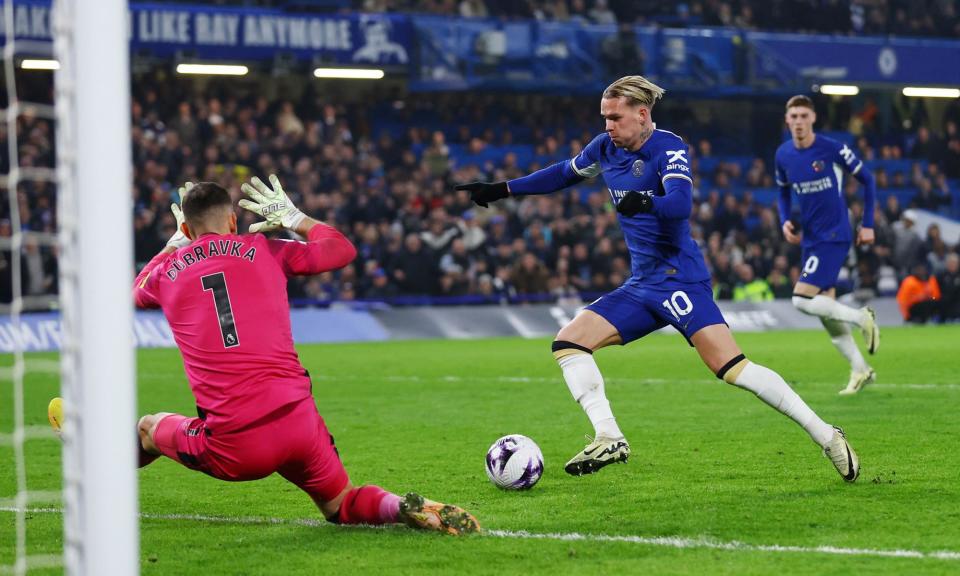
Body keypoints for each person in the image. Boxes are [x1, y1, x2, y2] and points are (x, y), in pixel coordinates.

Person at [455, 75, 860, 483]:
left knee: (732, 368)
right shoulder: (605, 148)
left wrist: (646, 199)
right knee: (569, 342)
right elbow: (564, 173)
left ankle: (827, 436)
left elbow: (681, 204)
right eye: (604, 117)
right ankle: (609, 435)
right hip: (643, 283)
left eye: (615, 117)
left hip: (680, 278)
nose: (608, 125)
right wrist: (502, 189)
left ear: (642, 114)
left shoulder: (669, 147)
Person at [50, 177, 478, 535]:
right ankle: (394, 506)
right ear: (234, 220)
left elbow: (134, 293)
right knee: (341, 504)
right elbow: (342, 250)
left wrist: (172, 244)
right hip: (299, 422)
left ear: (188, 226)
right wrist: (295, 219)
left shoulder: (167, 272)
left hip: (238, 442)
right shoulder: (266, 251)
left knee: (148, 428)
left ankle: (96, 460)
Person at [774, 95, 880, 396]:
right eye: (793, 116)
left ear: (813, 119)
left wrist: (868, 223)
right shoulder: (783, 155)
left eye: (803, 116)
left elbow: (868, 180)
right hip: (811, 237)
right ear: (787, 120)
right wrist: (784, 220)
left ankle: (862, 316)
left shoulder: (832, 149)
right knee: (826, 312)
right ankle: (860, 370)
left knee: (800, 299)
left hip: (835, 233)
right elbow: (782, 192)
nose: (798, 122)